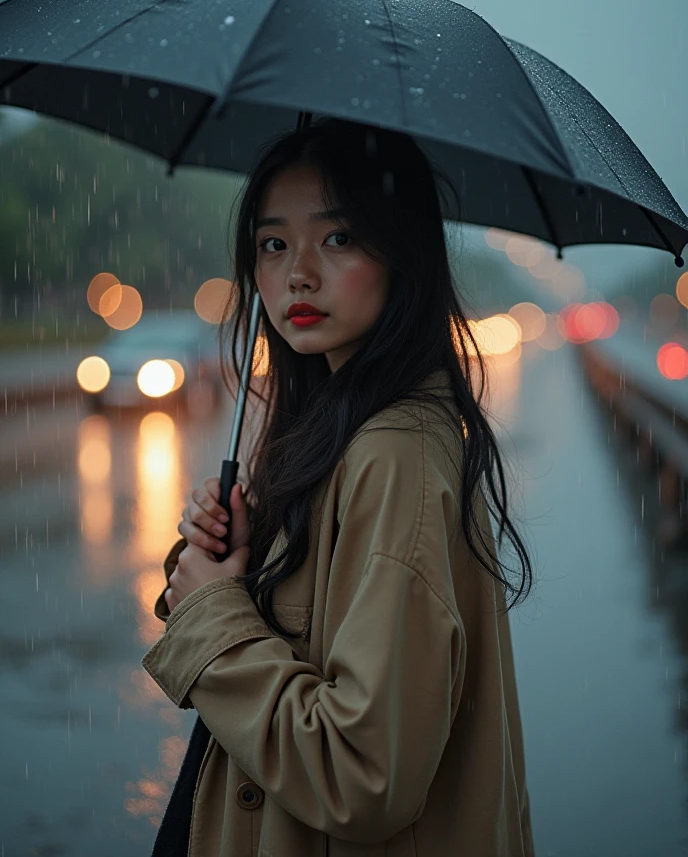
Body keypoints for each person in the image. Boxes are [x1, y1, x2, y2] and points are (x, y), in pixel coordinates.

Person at [141, 117, 537, 856]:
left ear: (403, 254)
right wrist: (233, 555)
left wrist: (212, 617)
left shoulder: (394, 454)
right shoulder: (336, 431)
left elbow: (363, 776)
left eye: (340, 238)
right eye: (273, 243)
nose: (298, 273)